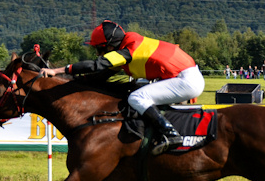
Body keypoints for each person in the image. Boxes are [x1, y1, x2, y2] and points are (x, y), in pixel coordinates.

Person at [41, 20, 205, 155]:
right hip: (183, 77)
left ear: (110, 45)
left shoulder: (129, 50)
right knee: (136, 92)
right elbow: (100, 75)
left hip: (186, 81)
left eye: (99, 49)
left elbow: (95, 65)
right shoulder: (127, 48)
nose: (99, 53)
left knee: (137, 97)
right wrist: (71, 83)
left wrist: (56, 71)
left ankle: (170, 134)